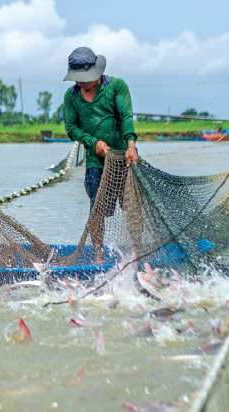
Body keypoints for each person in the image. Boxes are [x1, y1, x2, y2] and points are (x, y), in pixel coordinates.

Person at [62, 47, 138, 264]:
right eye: (78, 79)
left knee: (132, 206)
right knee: (97, 209)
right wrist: (93, 143)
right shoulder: (71, 97)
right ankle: (98, 252)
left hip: (124, 157)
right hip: (96, 162)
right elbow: (71, 128)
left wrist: (131, 146)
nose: (81, 83)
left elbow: (126, 117)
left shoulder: (116, 87)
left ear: (97, 72)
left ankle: (137, 251)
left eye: (85, 78)